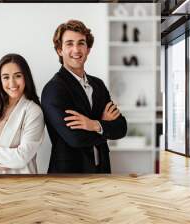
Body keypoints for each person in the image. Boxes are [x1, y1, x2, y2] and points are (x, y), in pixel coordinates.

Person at [41, 20, 127, 173]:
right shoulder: (54, 89)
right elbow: (76, 138)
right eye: (69, 44)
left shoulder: (98, 85)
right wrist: (104, 125)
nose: (76, 49)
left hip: (102, 172)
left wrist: (93, 124)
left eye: (81, 43)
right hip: (70, 176)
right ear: (60, 50)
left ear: (88, 49)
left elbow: (121, 127)